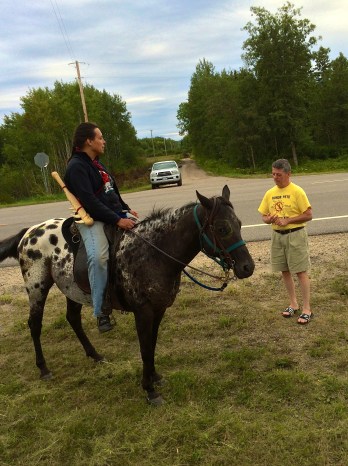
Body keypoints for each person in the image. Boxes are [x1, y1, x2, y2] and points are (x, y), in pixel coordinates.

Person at [64, 122, 138, 332]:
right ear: (89, 141)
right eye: (100, 137)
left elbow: (110, 192)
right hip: (92, 218)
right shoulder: (77, 167)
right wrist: (117, 220)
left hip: (113, 215)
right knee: (99, 258)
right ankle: (101, 311)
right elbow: (90, 202)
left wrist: (125, 209)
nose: (104, 141)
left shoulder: (96, 163)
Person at [258, 158, 313, 324]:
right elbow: (264, 216)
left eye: (279, 174)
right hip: (277, 236)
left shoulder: (297, 191)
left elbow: (308, 215)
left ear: (288, 174)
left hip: (295, 235)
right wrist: (270, 219)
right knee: (284, 270)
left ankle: (306, 309)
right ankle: (293, 304)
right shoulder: (270, 193)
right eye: (273, 174)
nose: (275, 177)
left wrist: (288, 220)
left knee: (300, 271)